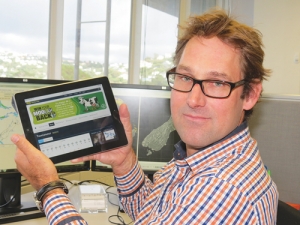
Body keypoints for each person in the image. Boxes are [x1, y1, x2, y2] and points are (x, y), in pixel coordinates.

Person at [12, 10, 278, 225]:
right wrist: (125, 162)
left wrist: (49, 188)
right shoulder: (198, 160)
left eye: (217, 83)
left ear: (250, 94)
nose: (193, 100)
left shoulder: (222, 189)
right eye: (185, 78)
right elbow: (155, 215)